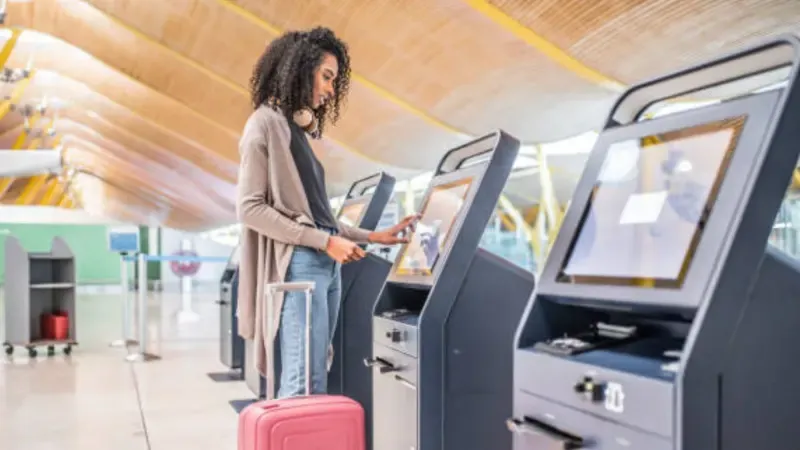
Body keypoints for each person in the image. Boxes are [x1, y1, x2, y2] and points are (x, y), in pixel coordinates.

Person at [236, 27, 418, 399]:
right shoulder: (263, 124)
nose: (331, 89)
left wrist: (373, 236)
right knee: (304, 380)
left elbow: (320, 218)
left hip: (322, 263)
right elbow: (250, 208)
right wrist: (324, 242)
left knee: (316, 371)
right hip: (302, 263)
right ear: (299, 70)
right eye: (327, 76)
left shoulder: (295, 132)